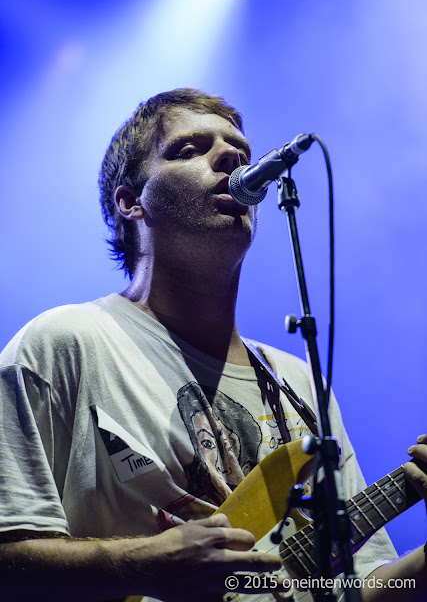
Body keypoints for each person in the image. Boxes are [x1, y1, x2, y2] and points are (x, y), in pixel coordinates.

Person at [0, 88, 426, 602]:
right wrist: (141, 566)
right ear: (131, 202)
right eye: (189, 150)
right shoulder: (66, 343)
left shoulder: (299, 383)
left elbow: (359, 588)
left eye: (240, 154)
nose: (230, 157)